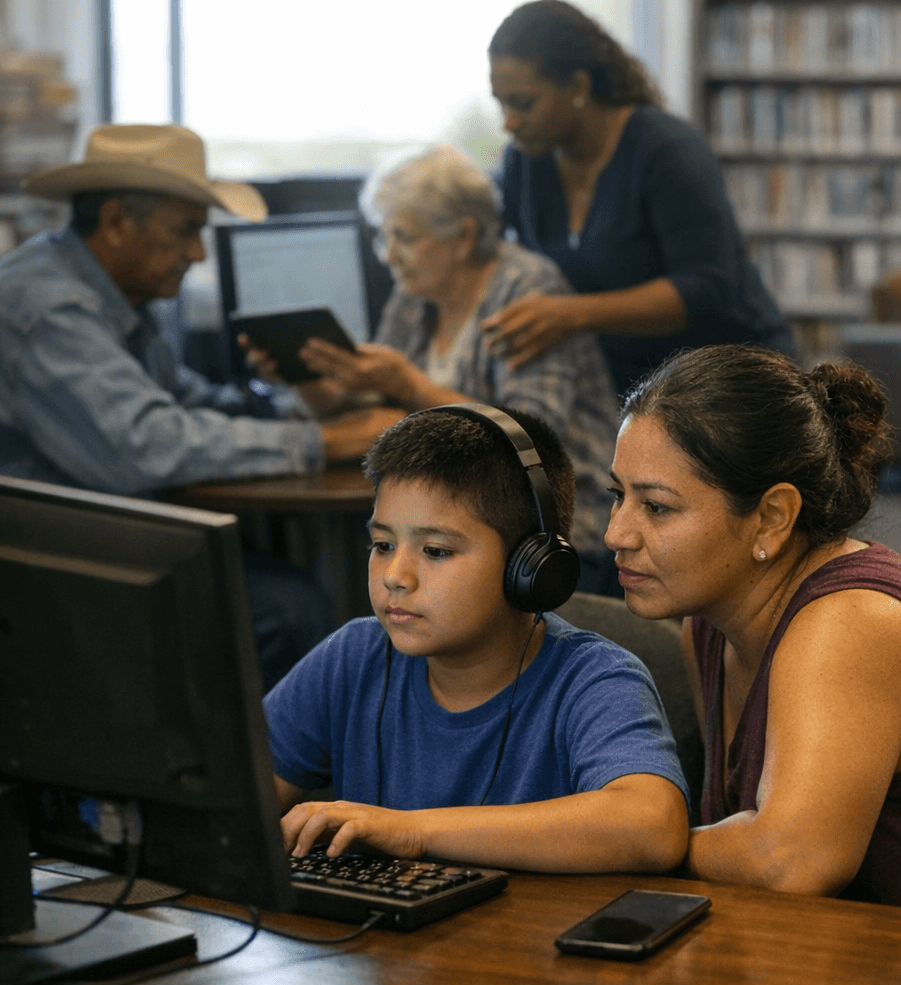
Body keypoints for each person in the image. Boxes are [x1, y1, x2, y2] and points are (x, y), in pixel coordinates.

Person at [606, 345, 901, 922]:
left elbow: (787, 861)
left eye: (656, 507)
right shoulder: (707, 630)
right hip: (884, 945)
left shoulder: (851, 623)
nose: (616, 533)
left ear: (772, 519)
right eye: (618, 496)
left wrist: (622, 840)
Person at [0, 123, 399, 687]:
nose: (197, 252)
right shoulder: (51, 309)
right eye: (186, 230)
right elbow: (147, 445)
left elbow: (186, 401)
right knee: (291, 611)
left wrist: (295, 406)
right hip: (49, 574)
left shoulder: (111, 298)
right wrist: (325, 440)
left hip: (101, 543)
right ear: (115, 221)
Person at [265, 404, 689, 873]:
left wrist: (413, 831)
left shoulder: (594, 681)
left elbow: (653, 825)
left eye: (435, 551)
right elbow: (234, 800)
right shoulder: (352, 659)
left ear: (530, 567)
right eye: (383, 545)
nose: (395, 576)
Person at [256, 144, 623, 596]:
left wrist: (408, 384)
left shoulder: (527, 288)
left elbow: (529, 440)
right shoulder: (415, 294)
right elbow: (366, 404)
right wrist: (306, 376)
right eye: (383, 237)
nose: (388, 255)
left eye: (404, 238)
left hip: (553, 532)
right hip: (457, 523)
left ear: (464, 237)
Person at [483, 0, 794, 399]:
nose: (508, 122)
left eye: (523, 103)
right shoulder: (525, 163)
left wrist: (571, 314)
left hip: (733, 385)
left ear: (578, 87)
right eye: (501, 102)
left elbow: (708, 289)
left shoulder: (666, 150)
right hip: (633, 389)